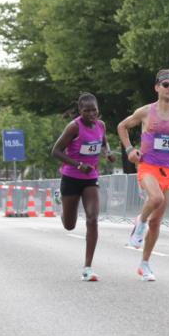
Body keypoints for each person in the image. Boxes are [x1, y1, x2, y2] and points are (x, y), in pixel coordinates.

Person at [118, 69, 169, 281]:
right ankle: (140, 222)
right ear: (157, 87)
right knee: (156, 198)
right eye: (166, 84)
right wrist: (129, 150)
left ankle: (144, 264)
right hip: (147, 166)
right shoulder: (146, 111)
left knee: (157, 222)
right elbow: (122, 126)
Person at [51, 93, 117, 282]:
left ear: (98, 110)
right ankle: (61, 202)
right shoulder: (73, 127)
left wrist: (108, 153)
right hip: (71, 178)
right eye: (86, 111)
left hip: (91, 178)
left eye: (94, 110)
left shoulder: (101, 125)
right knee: (69, 225)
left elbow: (103, 143)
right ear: (80, 111)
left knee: (93, 218)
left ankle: (88, 267)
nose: (91, 114)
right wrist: (78, 165)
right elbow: (55, 151)